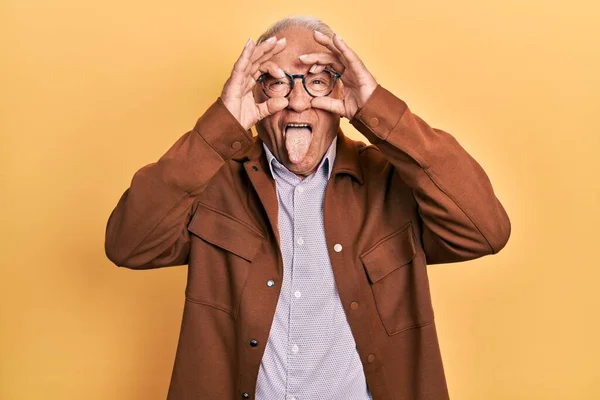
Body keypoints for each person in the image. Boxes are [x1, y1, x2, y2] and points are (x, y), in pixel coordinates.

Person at [105, 16, 511, 400]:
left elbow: (485, 230)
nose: (298, 102)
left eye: (317, 81)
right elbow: (128, 244)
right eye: (277, 84)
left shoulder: (393, 183)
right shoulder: (213, 184)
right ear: (253, 93)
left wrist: (377, 111)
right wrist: (220, 126)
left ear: (341, 93)